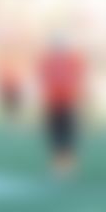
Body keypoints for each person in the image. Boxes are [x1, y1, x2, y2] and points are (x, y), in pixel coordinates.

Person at [36, 36, 85, 176]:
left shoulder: (74, 61)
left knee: (67, 136)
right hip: (53, 103)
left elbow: (78, 81)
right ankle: (59, 166)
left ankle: (67, 166)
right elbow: (43, 81)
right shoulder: (47, 62)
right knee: (56, 136)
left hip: (67, 103)